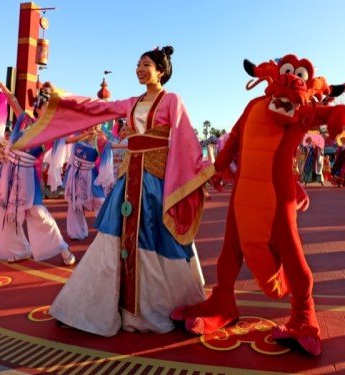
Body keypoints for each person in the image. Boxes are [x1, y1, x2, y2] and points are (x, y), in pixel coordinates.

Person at [12, 46, 212, 336]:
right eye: (138, 64)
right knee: (112, 235)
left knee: (156, 234)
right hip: (128, 178)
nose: (140, 69)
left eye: (146, 64)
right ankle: (94, 307)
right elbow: (96, 107)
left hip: (155, 181)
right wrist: (62, 96)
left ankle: (163, 305)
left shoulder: (172, 101)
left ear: (161, 70)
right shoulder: (131, 103)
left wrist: (195, 174)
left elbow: (185, 140)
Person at [0, 81, 76, 266]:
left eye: (53, 108)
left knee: (37, 212)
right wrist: (4, 89)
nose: (50, 111)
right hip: (9, 171)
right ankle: (20, 249)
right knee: (8, 212)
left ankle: (62, 248)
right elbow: (14, 102)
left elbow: (70, 137)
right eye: (47, 107)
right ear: (38, 109)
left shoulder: (51, 132)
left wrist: (85, 136)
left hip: (27, 174)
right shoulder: (25, 120)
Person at [63, 125, 109, 240]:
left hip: (90, 174)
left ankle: (105, 230)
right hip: (75, 173)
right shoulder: (78, 134)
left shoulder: (100, 138)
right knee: (74, 203)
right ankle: (76, 233)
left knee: (100, 201)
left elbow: (109, 148)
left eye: (97, 123)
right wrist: (85, 135)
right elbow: (65, 141)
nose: (95, 125)